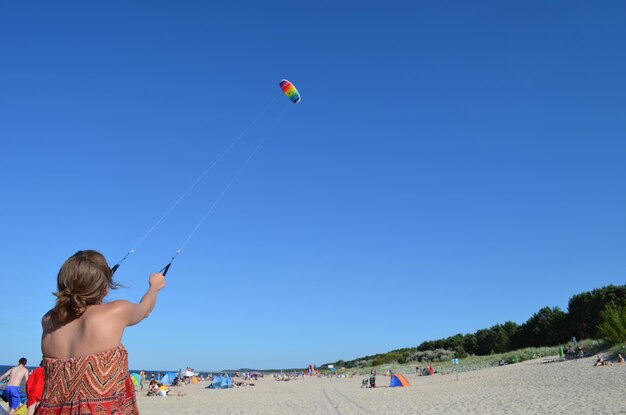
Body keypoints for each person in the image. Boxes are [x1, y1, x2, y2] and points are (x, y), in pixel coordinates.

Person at [37, 250, 166, 415]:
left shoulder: (48, 319)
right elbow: (145, 309)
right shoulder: (117, 311)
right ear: (103, 285)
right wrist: (154, 286)